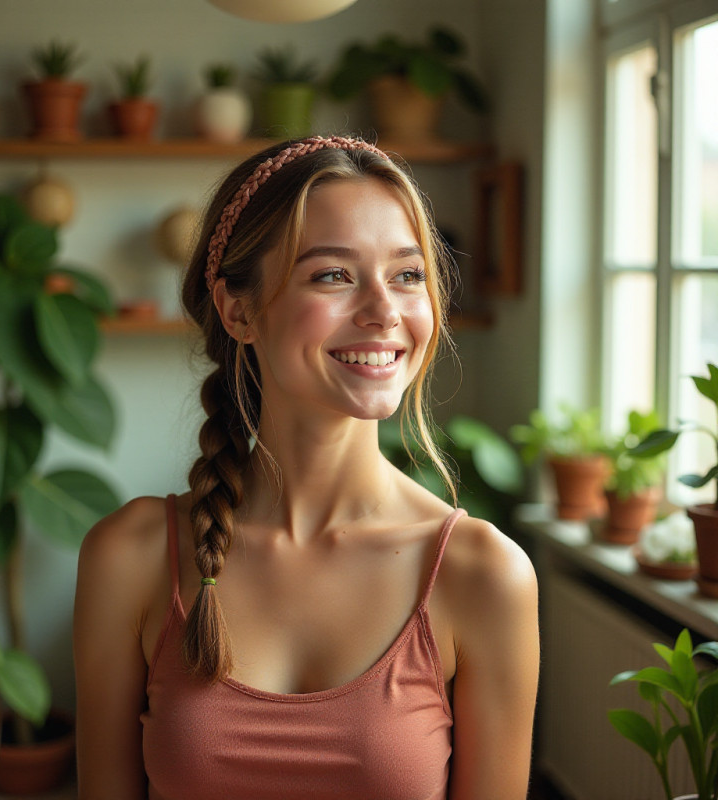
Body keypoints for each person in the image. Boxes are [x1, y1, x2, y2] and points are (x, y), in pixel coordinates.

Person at [73, 135, 539, 800]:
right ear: (238, 310)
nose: (384, 312)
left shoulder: (482, 574)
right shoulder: (131, 556)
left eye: (407, 275)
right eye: (333, 275)